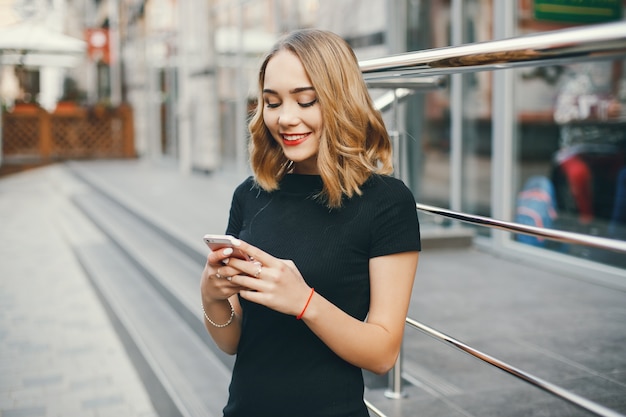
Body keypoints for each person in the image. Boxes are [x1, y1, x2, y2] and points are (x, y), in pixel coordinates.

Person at [200, 29, 421, 417]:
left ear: (340, 100)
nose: (285, 118)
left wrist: (303, 302)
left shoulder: (387, 202)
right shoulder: (249, 195)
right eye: (272, 102)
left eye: (306, 101)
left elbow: (383, 353)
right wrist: (211, 295)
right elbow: (233, 343)